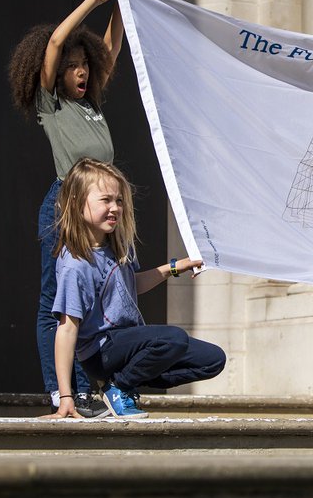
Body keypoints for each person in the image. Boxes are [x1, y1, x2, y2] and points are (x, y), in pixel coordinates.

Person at [8, 0, 125, 417]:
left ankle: (94, 389)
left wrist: (121, 9)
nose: (82, 71)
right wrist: (94, 0)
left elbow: (111, 51)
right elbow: (56, 39)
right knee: (55, 303)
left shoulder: (91, 105)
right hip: (64, 207)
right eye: (74, 66)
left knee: (97, 299)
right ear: (57, 73)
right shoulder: (51, 104)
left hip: (95, 210)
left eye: (85, 65)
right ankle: (63, 394)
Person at [50, 158, 226, 419]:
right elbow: (66, 328)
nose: (115, 208)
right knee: (173, 338)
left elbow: (131, 285)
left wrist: (177, 267)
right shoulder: (76, 264)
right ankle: (118, 387)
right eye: (105, 200)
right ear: (77, 202)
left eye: (119, 201)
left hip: (126, 344)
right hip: (102, 352)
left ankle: (124, 382)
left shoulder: (115, 248)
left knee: (213, 359)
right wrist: (66, 396)